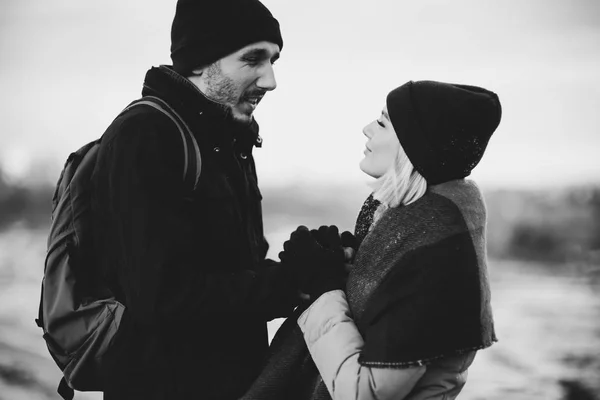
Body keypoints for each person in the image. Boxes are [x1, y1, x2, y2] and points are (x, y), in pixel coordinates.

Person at [89, 1, 310, 399]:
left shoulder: (227, 137)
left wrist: (308, 263)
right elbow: (160, 296)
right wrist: (291, 285)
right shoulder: (146, 134)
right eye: (253, 59)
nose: (271, 79)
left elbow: (234, 266)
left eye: (274, 60)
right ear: (200, 61)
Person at [243, 80, 501, 400]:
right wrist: (345, 265)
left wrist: (324, 288)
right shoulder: (417, 224)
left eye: (382, 122)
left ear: (416, 145)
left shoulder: (432, 254)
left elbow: (365, 393)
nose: (367, 129)